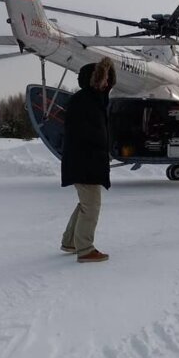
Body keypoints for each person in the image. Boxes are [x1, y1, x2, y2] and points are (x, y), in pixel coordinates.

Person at [60, 58, 116, 262]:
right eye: (104, 77)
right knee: (91, 206)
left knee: (85, 203)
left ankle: (70, 241)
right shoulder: (84, 101)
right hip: (85, 161)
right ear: (94, 80)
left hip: (86, 161)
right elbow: (84, 134)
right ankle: (85, 249)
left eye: (109, 77)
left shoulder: (94, 100)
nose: (107, 81)